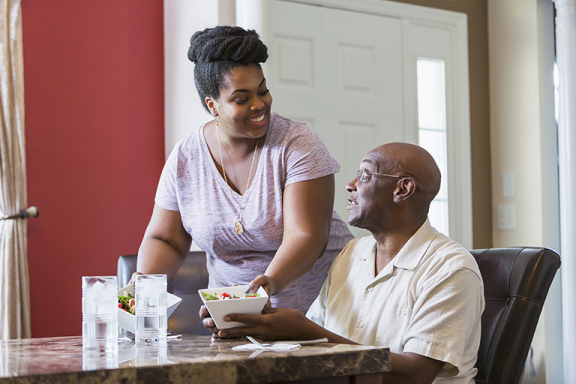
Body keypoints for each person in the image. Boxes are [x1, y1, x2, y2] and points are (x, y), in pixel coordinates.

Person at [217, 143, 485, 384]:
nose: (351, 184)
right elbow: (312, 344)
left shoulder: (451, 269)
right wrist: (255, 324)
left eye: (365, 175)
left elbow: (416, 374)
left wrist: (306, 332)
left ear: (402, 189)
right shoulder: (351, 253)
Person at [135, 25, 353, 314]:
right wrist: (145, 284)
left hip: (322, 311)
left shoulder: (297, 144)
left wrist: (267, 286)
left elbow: (307, 235)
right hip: (234, 317)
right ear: (212, 105)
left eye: (263, 91)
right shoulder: (185, 158)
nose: (259, 104)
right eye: (242, 98)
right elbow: (166, 238)